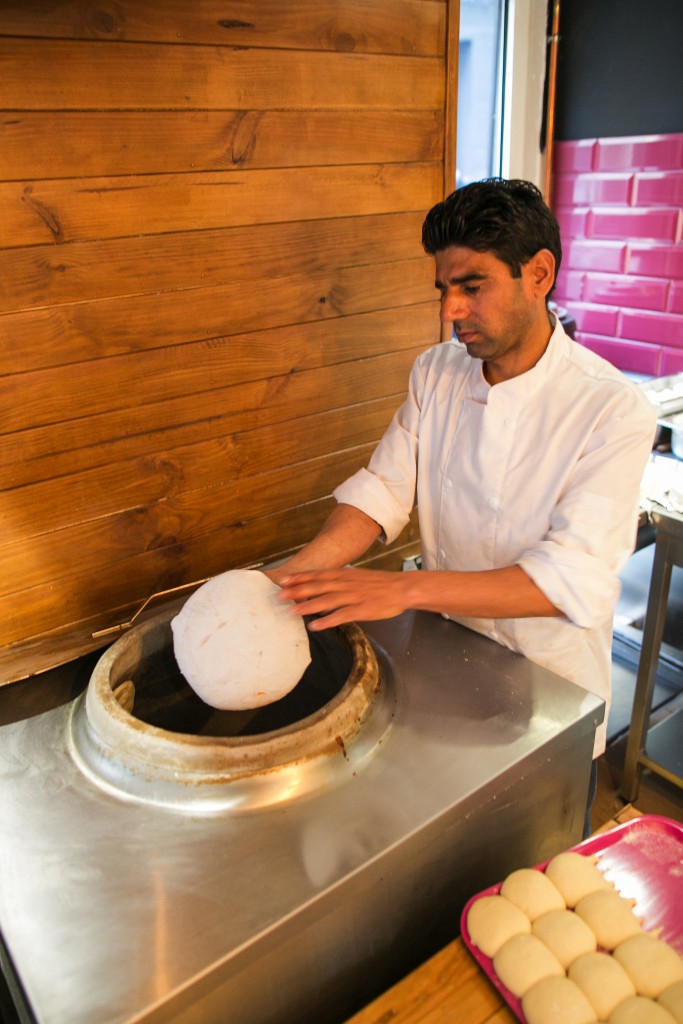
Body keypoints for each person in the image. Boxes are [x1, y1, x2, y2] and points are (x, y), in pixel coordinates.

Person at [267, 178, 657, 835]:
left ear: (538, 274)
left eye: (471, 287)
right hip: (446, 661)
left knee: (535, 856)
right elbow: (384, 487)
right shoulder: (437, 373)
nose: (450, 309)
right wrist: (295, 578)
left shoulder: (609, 409)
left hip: (548, 688)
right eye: (443, 289)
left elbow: (567, 579)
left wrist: (404, 592)